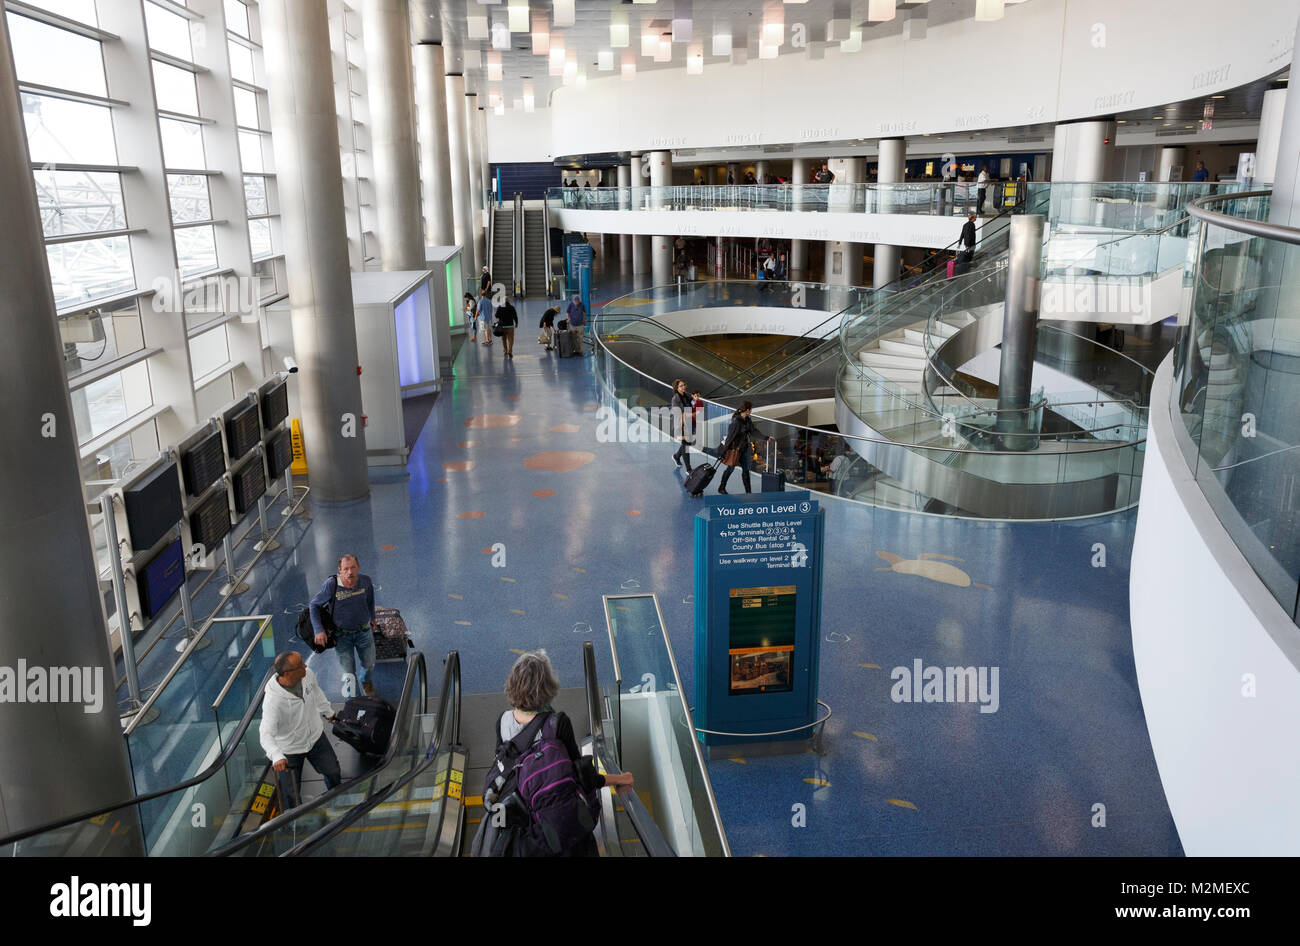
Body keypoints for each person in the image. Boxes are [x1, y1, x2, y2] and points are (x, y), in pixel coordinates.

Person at [488, 650, 633, 856]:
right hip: (557, 826)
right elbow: (581, 776)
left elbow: (504, 771)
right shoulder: (556, 724)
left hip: (524, 831)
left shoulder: (502, 722)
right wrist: (619, 778)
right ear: (547, 685)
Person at [260, 650, 342, 810]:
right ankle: (293, 824)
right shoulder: (273, 701)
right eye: (300, 665)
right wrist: (276, 756)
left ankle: (336, 801)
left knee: (333, 771)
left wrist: (328, 712)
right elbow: (265, 733)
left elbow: (317, 693)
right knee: (291, 793)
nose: (305, 665)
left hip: (315, 738)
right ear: (287, 673)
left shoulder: (307, 674)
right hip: (290, 749)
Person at [310, 554, 377, 697]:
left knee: (369, 664)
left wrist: (373, 617)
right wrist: (318, 630)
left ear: (358, 567)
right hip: (342, 636)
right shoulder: (331, 584)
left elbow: (370, 601)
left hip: (364, 631)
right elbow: (314, 605)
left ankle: (365, 680)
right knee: (348, 672)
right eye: (345, 569)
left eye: (353, 567)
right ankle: (354, 700)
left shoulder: (365, 581)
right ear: (339, 570)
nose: (350, 572)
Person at [718, 401, 772, 495]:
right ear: (747, 410)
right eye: (751, 409)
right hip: (735, 450)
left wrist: (765, 438)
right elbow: (730, 438)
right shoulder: (736, 422)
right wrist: (723, 452)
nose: (751, 411)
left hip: (744, 449)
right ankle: (721, 487)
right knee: (730, 469)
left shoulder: (747, 419)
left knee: (746, 469)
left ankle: (748, 492)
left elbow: (753, 431)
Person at [670, 379, 695, 473]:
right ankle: (689, 469)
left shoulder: (686, 396)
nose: (683, 387)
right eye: (681, 386)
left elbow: (692, 404)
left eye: (684, 385)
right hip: (681, 424)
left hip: (688, 423)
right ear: (676, 388)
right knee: (685, 445)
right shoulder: (675, 399)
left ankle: (676, 456)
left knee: (687, 444)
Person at [495, 293, 518, 359]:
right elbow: (515, 316)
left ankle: (505, 350)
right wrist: (516, 323)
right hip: (510, 326)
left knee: (503, 339)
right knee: (511, 340)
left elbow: (496, 315)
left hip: (502, 326)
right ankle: (510, 351)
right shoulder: (512, 307)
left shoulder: (500, 307)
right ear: (508, 300)